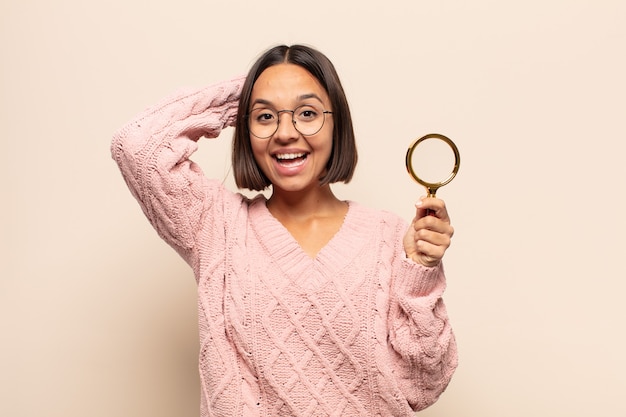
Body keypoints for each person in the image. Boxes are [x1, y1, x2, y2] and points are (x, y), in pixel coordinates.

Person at [111, 44, 457, 417]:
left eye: (307, 113)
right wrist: (249, 93)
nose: (285, 133)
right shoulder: (216, 226)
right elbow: (136, 145)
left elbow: (423, 384)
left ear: (336, 120)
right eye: (265, 118)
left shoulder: (389, 236)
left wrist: (419, 275)